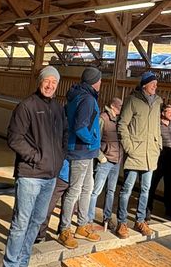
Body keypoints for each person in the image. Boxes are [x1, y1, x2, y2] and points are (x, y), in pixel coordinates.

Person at [1, 66, 67, 267]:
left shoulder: (58, 108)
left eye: (54, 83)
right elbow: (14, 138)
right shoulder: (27, 106)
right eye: (47, 81)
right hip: (30, 175)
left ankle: (21, 266)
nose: (50, 86)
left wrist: (59, 157)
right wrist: (36, 157)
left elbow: (65, 135)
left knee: (37, 221)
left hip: (50, 176)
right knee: (21, 223)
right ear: (40, 82)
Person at [57, 67, 103, 248]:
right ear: (94, 81)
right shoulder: (88, 99)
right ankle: (65, 229)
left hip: (85, 152)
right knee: (75, 190)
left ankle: (82, 225)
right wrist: (92, 141)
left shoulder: (77, 96)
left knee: (87, 187)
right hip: (82, 150)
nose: (101, 83)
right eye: (99, 80)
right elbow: (80, 127)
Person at [116, 71, 162, 238]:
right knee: (127, 189)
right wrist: (129, 148)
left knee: (145, 189)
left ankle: (140, 220)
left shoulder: (158, 102)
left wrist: (159, 145)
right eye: (152, 84)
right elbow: (122, 125)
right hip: (135, 153)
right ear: (144, 85)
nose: (155, 87)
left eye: (156, 84)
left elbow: (157, 125)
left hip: (151, 154)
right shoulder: (132, 101)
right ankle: (122, 222)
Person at [88, 96, 122, 231]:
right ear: (113, 106)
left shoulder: (118, 121)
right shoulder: (102, 118)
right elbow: (95, 139)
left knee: (111, 191)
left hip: (116, 161)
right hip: (105, 160)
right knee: (95, 191)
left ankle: (107, 219)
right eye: (119, 106)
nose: (121, 109)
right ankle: (89, 219)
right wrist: (101, 157)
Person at [149, 103, 171, 217]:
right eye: (169, 112)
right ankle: (148, 209)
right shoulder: (156, 125)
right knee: (152, 186)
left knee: (169, 187)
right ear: (163, 113)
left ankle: (168, 209)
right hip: (159, 161)